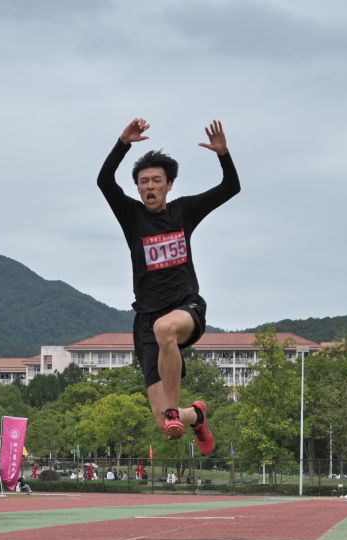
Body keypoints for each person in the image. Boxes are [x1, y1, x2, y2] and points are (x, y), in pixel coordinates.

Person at [97, 117, 240, 456]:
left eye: (156, 180)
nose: (150, 186)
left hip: (185, 307)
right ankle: (195, 415)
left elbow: (230, 187)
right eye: (143, 182)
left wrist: (223, 154)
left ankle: (175, 410)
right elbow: (104, 181)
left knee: (166, 328)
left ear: (169, 185)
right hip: (146, 320)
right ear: (138, 187)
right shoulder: (132, 216)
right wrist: (122, 143)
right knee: (164, 423)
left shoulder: (184, 211)